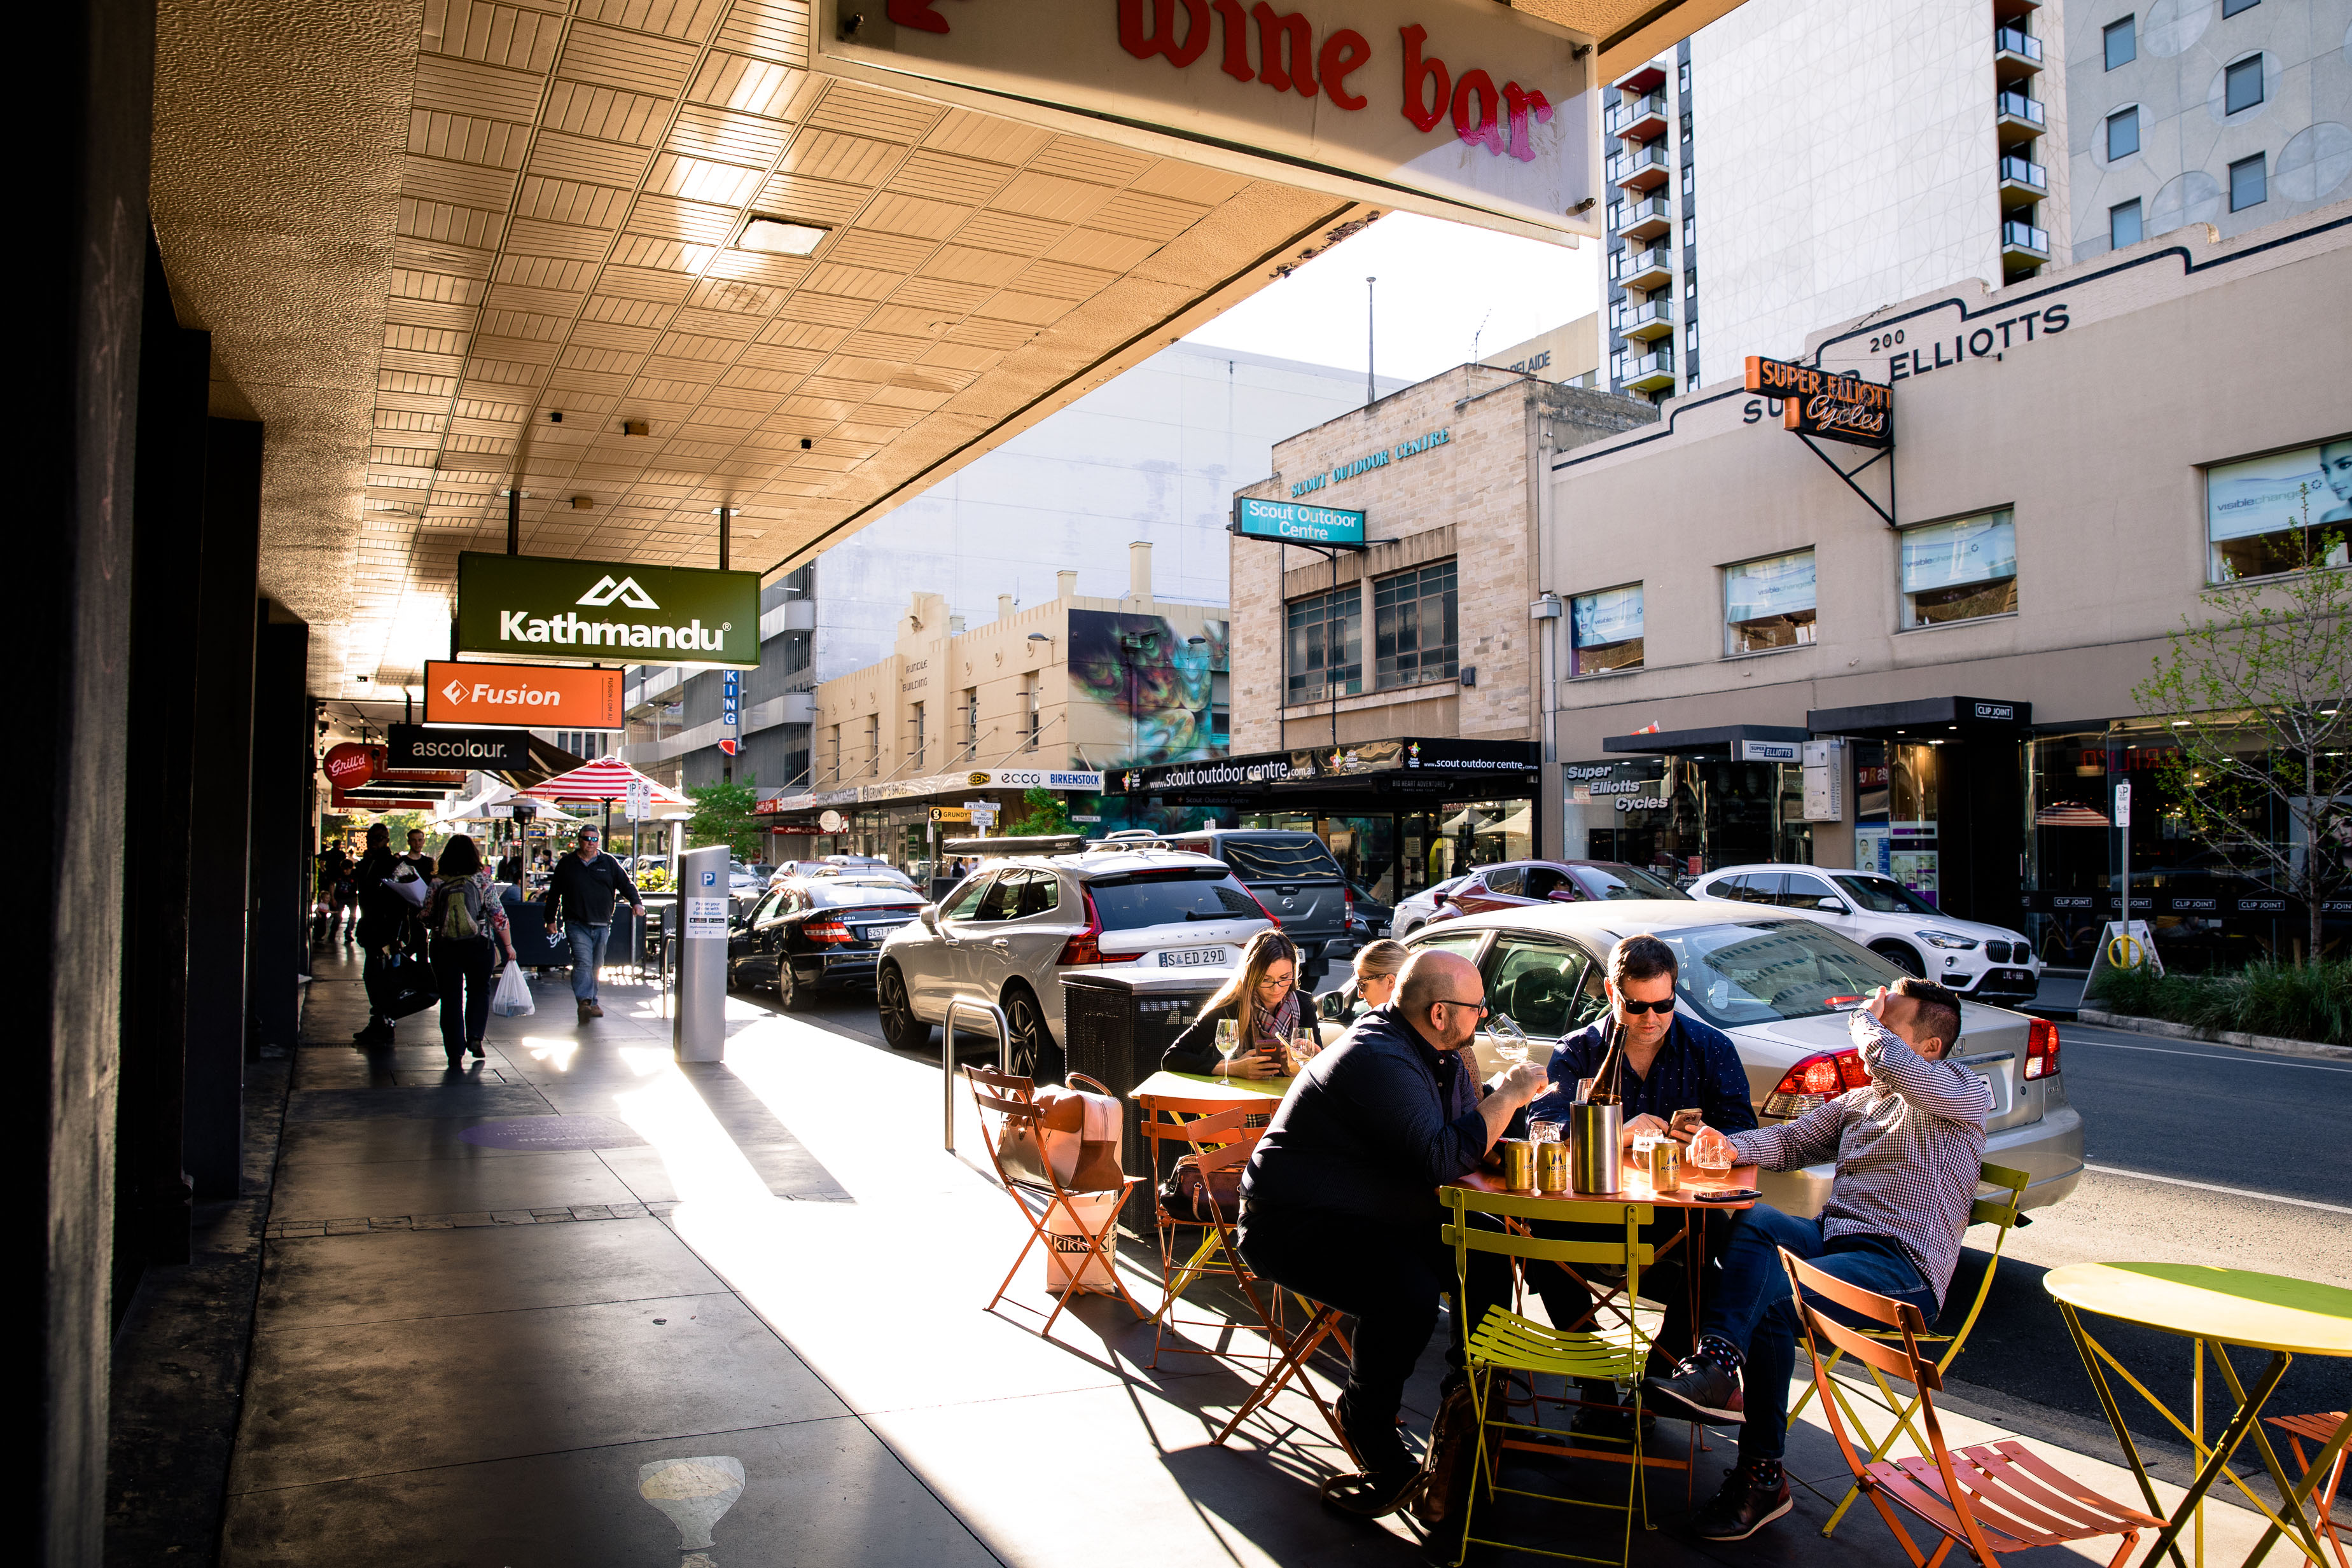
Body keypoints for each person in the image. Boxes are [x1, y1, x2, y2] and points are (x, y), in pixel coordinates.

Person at [1644, 978, 1989, 1542]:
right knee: (1755, 1219)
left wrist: (1863, 1019)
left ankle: (1761, 1475)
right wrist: (1724, 1145)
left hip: (1903, 1268)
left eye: (1889, 1021)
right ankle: (1716, 1364)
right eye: (1875, 1020)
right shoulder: (1862, 1100)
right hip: (1836, 1239)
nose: (1873, 1030)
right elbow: (1791, 1143)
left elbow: (1884, 1056)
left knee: (1779, 1298)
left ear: (1928, 1048)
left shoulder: (1962, 1091)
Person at [1237, 949, 1550, 1516]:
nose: (1482, 1017)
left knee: (1483, 1246)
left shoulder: (1442, 1056)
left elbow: (1462, 1145)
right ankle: (1367, 1419)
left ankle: (1470, 1409)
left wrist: (1507, 1123)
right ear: (1438, 1012)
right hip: (1291, 1220)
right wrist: (1506, 1094)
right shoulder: (1376, 1054)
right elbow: (1440, 1156)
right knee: (1403, 1292)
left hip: (1373, 1210)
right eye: (1476, 1008)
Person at [1516, 934, 1759, 1429]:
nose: (1650, 1017)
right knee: (1535, 1236)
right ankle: (1595, 1386)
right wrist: (1616, 1131)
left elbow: (1741, 1134)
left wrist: (1710, 1138)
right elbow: (1540, 1126)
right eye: (1636, 1005)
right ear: (1610, 991)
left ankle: (1658, 1385)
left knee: (1722, 1259)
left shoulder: (1709, 1047)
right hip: (1590, 1210)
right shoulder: (1579, 1049)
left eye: (1663, 1004)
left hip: (1674, 1214)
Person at [426, 834, 517, 1068]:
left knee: (450, 997)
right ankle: (475, 1037)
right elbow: (499, 915)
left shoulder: (437, 882)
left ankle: (454, 1051)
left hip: (444, 946)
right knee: (478, 990)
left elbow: (426, 916)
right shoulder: (482, 881)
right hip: (478, 944)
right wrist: (508, 946)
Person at [1162, 929, 1302, 1076]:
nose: (1276, 988)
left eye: (1285, 977)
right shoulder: (1228, 1007)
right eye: (1266, 980)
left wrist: (1311, 1061)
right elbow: (1172, 1059)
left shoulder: (1303, 1004)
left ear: (1294, 971)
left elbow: (1317, 1069)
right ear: (1251, 976)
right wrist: (1233, 1068)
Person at [543, 826, 642, 1023]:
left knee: (596, 965)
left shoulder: (609, 862)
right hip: (576, 922)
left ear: (599, 841)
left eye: (594, 839)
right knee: (583, 962)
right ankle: (584, 1002)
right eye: (587, 838)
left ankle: (592, 1001)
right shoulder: (567, 864)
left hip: (602, 923)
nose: (591, 842)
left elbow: (626, 884)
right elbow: (554, 893)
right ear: (579, 840)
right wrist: (550, 919)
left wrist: (636, 902)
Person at [349, 825, 406, 1045]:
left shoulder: (391, 864)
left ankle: (383, 1021)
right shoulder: (370, 863)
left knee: (379, 976)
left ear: (387, 839)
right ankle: (381, 1020)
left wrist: (397, 934)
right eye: (372, 838)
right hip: (374, 927)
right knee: (375, 976)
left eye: (380, 838)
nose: (376, 841)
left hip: (386, 929)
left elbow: (403, 899)